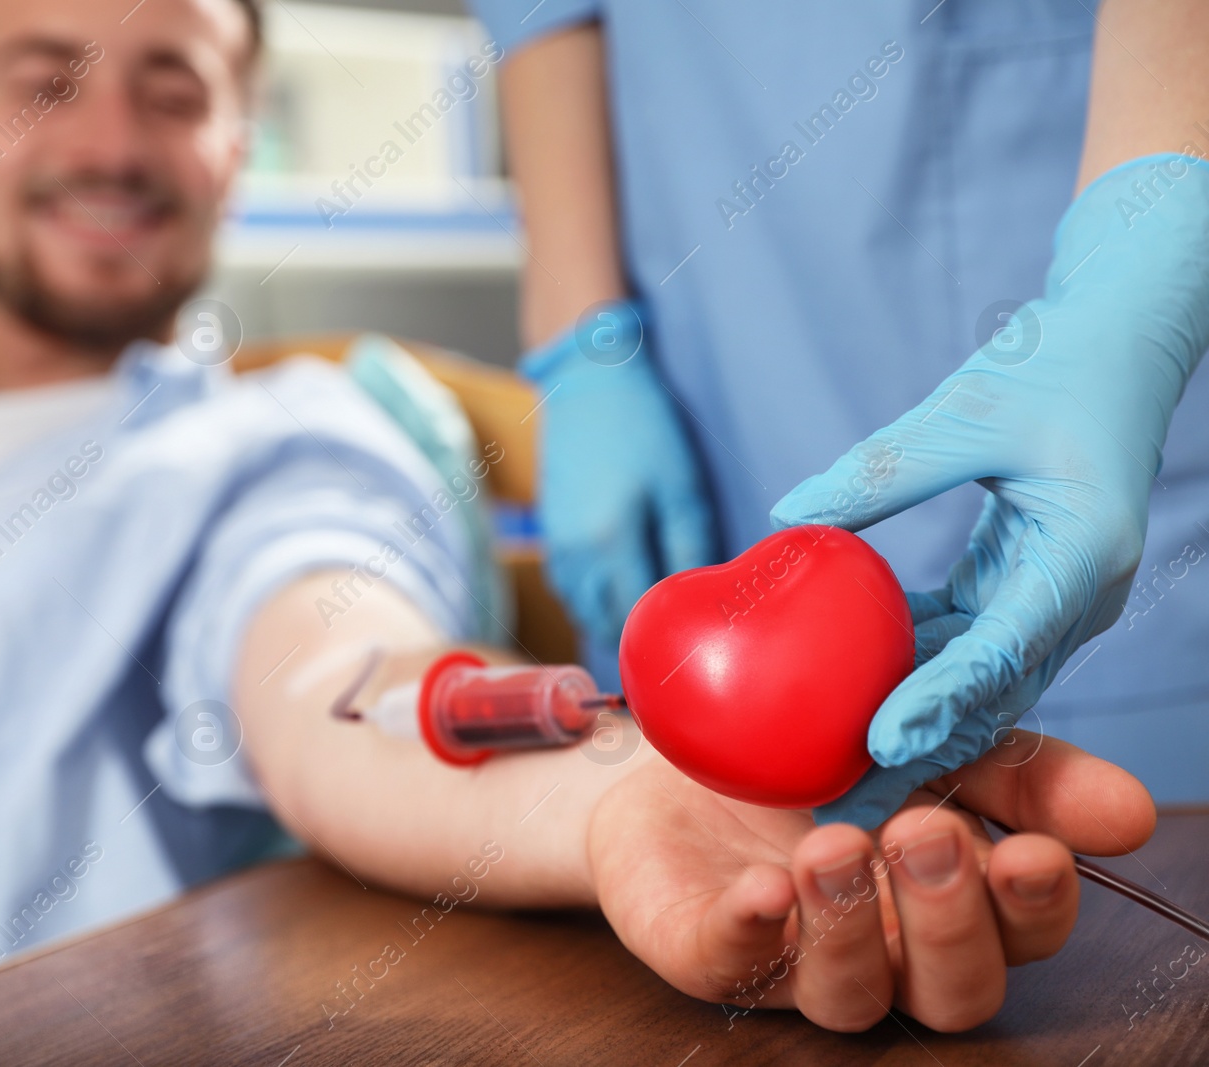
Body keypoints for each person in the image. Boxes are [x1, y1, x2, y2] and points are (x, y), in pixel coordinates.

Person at [0, 0, 1154, 1060]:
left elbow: (340, 673)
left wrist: (617, 787)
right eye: (46, 74)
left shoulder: (280, 437)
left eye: (175, 85)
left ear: (233, 148)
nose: (112, 138)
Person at [470, 0, 1209, 826]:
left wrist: (1139, 258)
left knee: (1123, 888)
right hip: (702, 288)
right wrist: (584, 341)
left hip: (1078, 174)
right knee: (737, 883)